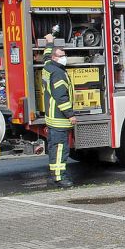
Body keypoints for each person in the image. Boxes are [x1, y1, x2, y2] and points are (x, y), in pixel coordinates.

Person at [42, 33, 77, 187]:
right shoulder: (58, 74)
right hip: (59, 119)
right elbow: (61, 97)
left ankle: (55, 175)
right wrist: (70, 115)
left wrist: (50, 42)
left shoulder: (48, 67)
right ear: (55, 58)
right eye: (62, 55)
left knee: (54, 148)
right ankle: (60, 178)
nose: (65, 57)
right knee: (60, 150)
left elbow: (46, 56)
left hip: (51, 117)